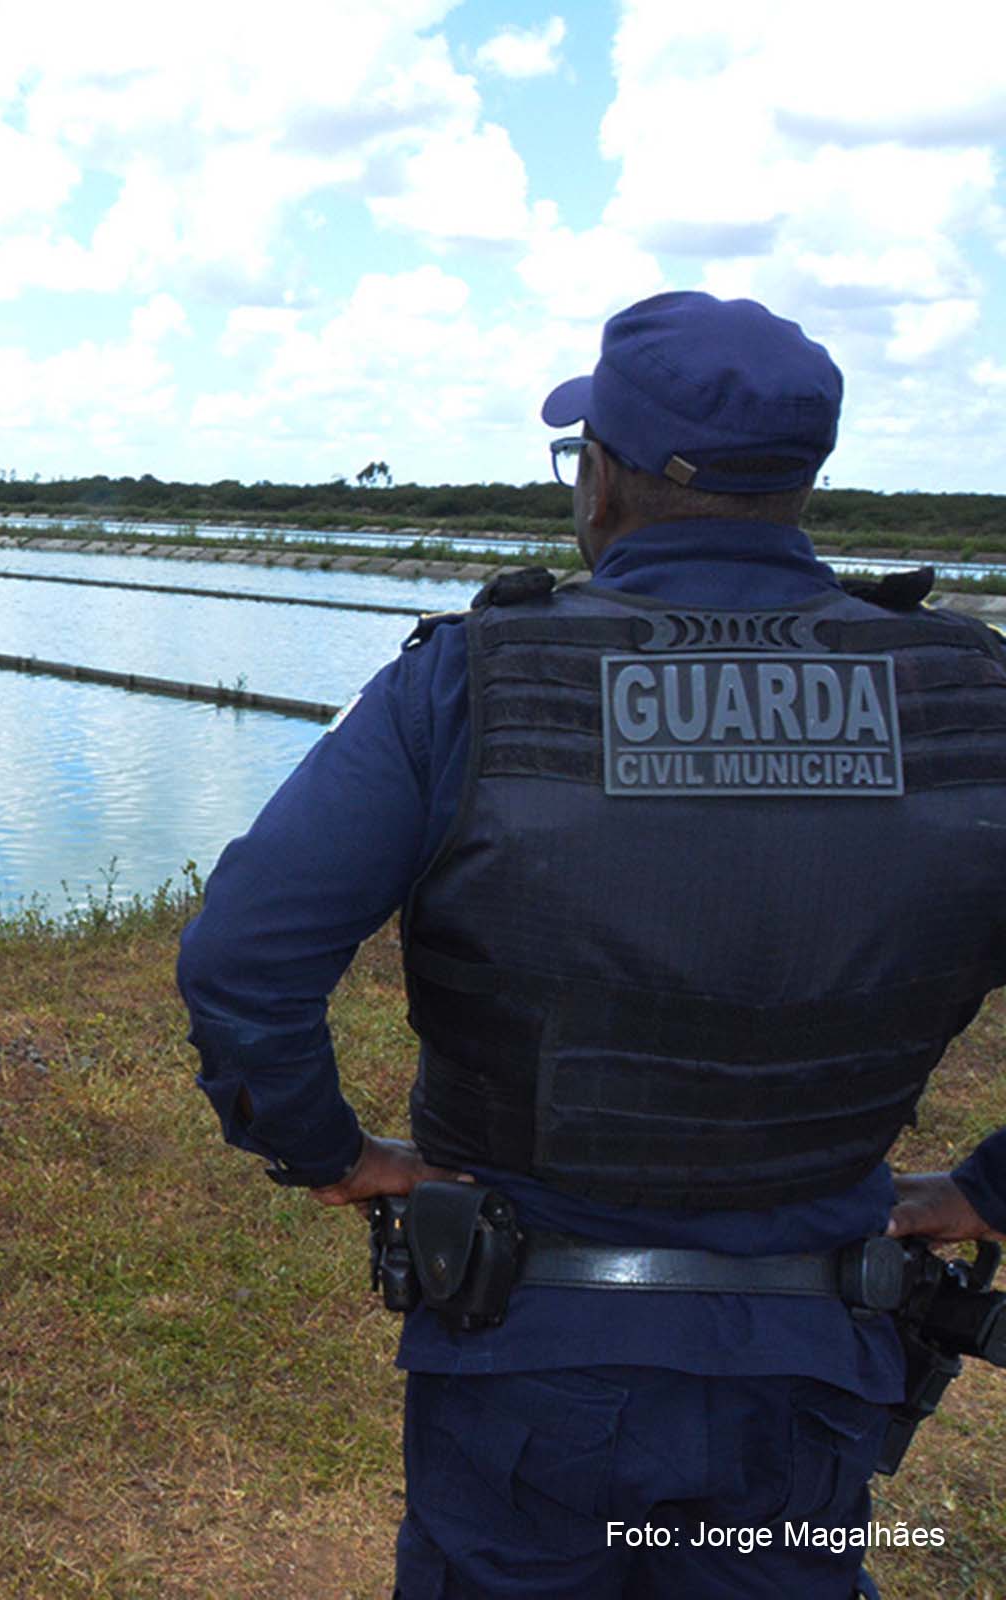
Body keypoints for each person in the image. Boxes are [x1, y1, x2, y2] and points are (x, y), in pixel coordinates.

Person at [176, 291, 1006, 1599]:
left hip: (529, 1350)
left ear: (601, 478)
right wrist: (989, 1189)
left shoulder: (472, 683)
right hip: (817, 1347)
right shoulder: (971, 698)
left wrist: (326, 1153)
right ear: (803, 481)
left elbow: (242, 955)